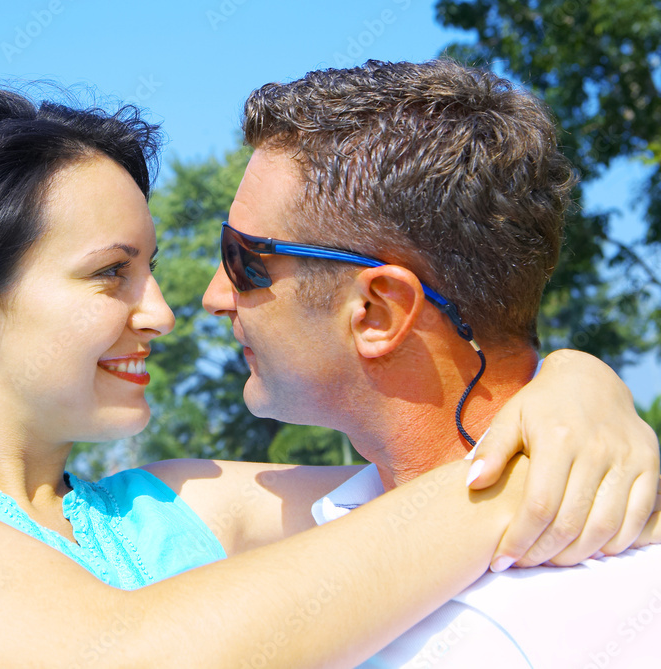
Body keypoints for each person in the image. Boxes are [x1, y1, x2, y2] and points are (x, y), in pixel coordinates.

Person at [0, 87, 658, 668]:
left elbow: (429, 463)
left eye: (155, 266)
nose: (164, 310)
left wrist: (577, 383)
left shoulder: (180, 508)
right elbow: (113, 655)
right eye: (108, 273)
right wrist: (523, 485)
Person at [198, 59, 661, 667]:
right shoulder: (340, 518)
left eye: (243, 259)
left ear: (377, 312)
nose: (212, 297)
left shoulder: (529, 633)